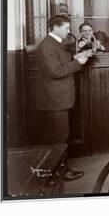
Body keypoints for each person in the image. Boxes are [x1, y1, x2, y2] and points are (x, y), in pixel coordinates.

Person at [35, 15, 90, 182]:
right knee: (57, 138)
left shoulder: (54, 44)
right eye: (66, 27)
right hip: (54, 100)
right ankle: (56, 173)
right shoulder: (47, 46)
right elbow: (56, 71)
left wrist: (76, 58)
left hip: (58, 98)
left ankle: (58, 170)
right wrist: (78, 63)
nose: (68, 31)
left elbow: (60, 63)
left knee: (59, 136)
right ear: (55, 27)